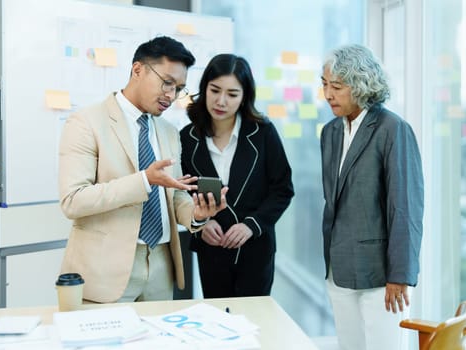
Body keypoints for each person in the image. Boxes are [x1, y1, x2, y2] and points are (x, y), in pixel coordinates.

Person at [58, 36, 228, 304]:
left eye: (179, 88)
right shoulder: (86, 122)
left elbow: (175, 195)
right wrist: (144, 181)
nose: (171, 96)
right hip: (105, 270)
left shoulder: (170, 132)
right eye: (167, 83)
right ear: (138, 70)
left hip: (161, 265)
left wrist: (196, 215)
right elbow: (73, 201)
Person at [320, 44, 424, 350]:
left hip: (383, 277)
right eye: (324, 84)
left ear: (361, 85)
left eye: (336, 86)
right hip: (338, 268)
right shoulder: (329, 132)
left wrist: (401, 275)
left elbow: (405, 207)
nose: (327, 94)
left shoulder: (393, 130)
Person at [180, 54, 294, 298]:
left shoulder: (262, 133)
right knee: (218, 319)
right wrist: (200, 225)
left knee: (254, 321)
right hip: (212, 246)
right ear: (204, 89)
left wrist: (251, 226)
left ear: (244, 97)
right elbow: (180, 191)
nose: (221, 101)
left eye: (232, 94)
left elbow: (282, 189)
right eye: (215, 90)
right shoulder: (187, 137)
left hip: (255, 247)